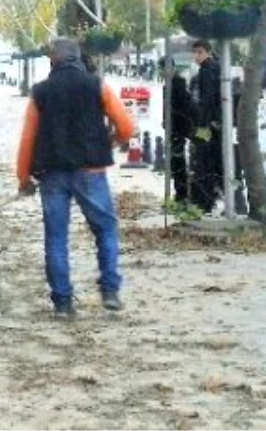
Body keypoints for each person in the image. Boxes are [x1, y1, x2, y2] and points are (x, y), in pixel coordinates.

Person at [15, 37, 136, 318]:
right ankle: (110, 290)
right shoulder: (97, 86)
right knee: (105, 228)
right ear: (79, 58)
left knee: (56, 236)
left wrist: (24, 177)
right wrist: (112, 141)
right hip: (91, 171)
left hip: (52, 174)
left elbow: (28, 139)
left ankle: (63, 303)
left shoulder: (40, 92)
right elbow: (128, 128)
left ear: (52, 61)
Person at [189, 39, 223, 214]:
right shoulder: (214, 67)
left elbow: (207, 100)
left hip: (208, 125)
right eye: (194, 52)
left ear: (208, 52)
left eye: (200, 52)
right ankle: (209, 199)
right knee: (211, 162)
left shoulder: (207, 70)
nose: (196, 56)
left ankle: (206, 202)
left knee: (203, 161)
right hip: (216, 123)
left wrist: (203, 126)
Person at [161, 57, 196, 204]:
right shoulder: (169, 84)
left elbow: (183, 108)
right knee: (176, 162)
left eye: (165, 69)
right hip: (173, 128)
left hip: (178, 129)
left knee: (178, 162)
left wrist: (175, 124)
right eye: (162, 69)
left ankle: (182, 195)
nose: (163, 72)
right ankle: (180, 193)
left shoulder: (178, 84)